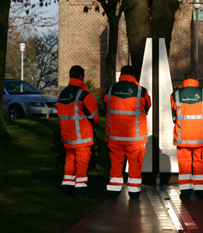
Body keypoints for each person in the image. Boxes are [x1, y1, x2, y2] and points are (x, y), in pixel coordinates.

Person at [105, 65, 151, 198]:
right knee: (135, 165)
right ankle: (134, 192)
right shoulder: (141, 91)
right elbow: (147, 107)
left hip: (115, 136)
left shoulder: (110, 89)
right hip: (135, 138)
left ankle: (114, 191)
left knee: (116, 164)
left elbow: (106, 106)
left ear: (121, 75)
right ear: (134, 76)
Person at [57, 65, 99, 199]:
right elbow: (95, 118)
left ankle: (67, 188)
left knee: (70, 161)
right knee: (82, 162)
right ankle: (80, 191)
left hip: (67, 137)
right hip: (82, 137)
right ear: (81, 77)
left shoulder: (62, 95)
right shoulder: (84, 95)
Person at [170, 71, 203, 199]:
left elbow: (174, 116)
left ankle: (186, 192)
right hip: (200, 137)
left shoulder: (175, 95)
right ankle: (200, 192)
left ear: (183, 79)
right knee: (199, 164)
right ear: (197, 80)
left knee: (184, 165)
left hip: (183, 137)